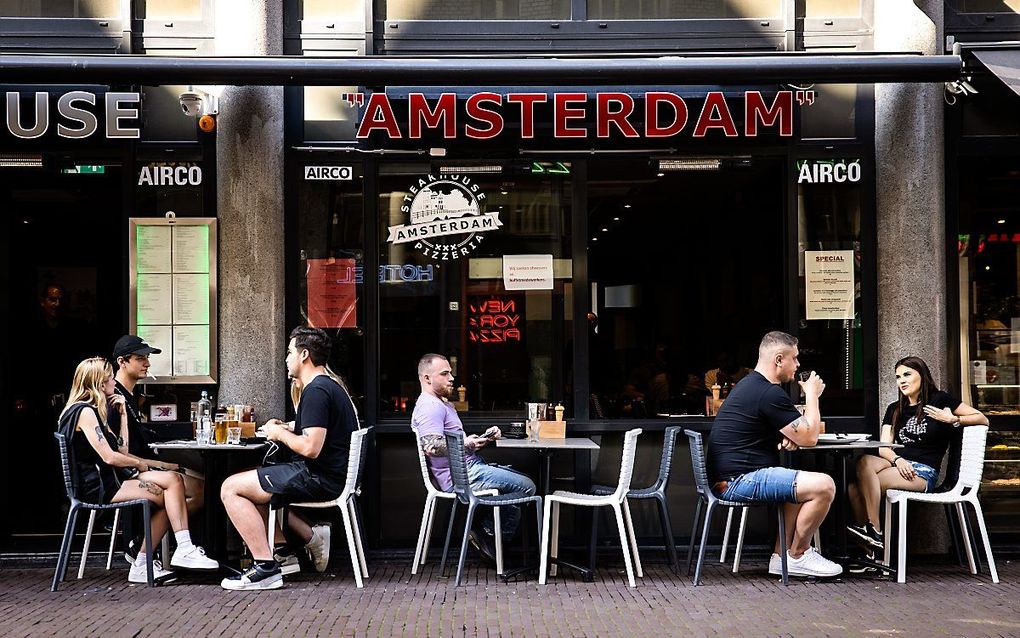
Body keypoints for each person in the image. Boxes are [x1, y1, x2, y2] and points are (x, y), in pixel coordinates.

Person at [219, 327, 358, 591]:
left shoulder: (316, 391)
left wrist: (278, 434)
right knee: (253, 480)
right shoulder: (327, 386)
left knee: (231, 488)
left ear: (304, 355)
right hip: (329, 475)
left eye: (289, 352)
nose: (285, 359)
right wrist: (287, 426)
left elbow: (311, 448)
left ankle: (265, 568)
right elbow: (316, 429)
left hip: (319, 477)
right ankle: (281, 553)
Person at [56, 357, 219, 583]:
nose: (114, 382)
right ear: (100, 384)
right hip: (99, 487)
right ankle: (174, 551)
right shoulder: (84, 412)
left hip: (108, 481)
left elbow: (120, 448)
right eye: (111, 378)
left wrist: (122, 415)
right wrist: (140, 464)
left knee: (170, 492)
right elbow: (110, 457)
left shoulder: (86, 410)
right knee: (172, 484)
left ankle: (151, 560)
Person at [706, 331, 842, 578]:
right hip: (738, 480)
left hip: (732, 477)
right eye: (795, 359)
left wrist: (781, 437)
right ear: (779, 359)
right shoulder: (769, 392)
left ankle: (781, 558)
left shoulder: (752, 385)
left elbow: (772, 428)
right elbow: (810, 437)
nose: (798, 365)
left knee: (793, 487)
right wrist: (811, 395)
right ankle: (799, 554)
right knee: (825, 486)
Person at [846, 355, 988, 553]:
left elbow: (982, 418)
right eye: (897, 377)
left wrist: (953, 418)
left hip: (923, 472)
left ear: (922, 375)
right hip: (899, 464)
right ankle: (875, 534)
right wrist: (898, 459)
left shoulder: (940, 400)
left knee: (855, 488)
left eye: (907, 374)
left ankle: (873, 545)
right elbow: (883, 447)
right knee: (864, 462)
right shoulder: (894, 409)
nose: (901, 381)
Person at [412, 353, 536, 566]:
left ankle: (492, 538)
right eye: (444, 374)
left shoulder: (442, 404)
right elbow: (431, 446)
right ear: (426, 378)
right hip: (460, 478)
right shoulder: (429, 407)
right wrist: (466, 444)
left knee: (521, 481)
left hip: (470, 467)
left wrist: (481, 439)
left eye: (450, 373)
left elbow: (454, 444)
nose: (452, 378)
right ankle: (489, 534)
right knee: (527, 487)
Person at [108, 335, 205, 562]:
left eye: (147, 358)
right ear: (122, 362)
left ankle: (151, 542)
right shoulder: (115, 400)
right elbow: (118, 453)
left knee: (201, 488)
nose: (147, 364)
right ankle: (145, 545)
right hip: (126, 474)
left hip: (144, 467)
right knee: (193, 490)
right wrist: (160, 464)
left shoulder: (129, 396)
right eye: (140, 358)